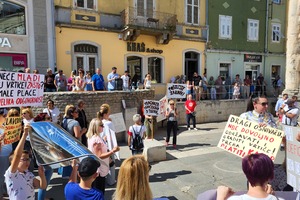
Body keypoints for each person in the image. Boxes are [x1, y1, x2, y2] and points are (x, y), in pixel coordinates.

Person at [4, 124, 47, 200]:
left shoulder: (28, 173)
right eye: (24, 159)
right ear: (14, 162)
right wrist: (24, 135)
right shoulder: (12, 174)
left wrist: (42, 176)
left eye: (28, 159)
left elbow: (42, 186)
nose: (27, 161)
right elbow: (17, 155)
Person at [86, 118, 119, 193]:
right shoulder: (96, 140)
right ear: (96, 126)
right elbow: (99, 155)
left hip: (97, 168)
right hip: (99, 170)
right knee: (99, 191)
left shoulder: (92, 137)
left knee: (97, 190)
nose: (103, 127)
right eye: (101, 125)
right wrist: (113, 151)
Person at [34, 113, 53, 200]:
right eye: (48, 118)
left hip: (45, 157)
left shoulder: (42, 130)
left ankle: (42, 197)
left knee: (45, 178)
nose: (50, 120)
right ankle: (41, 198)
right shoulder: (39, 131)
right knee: (44, 180)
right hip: (43, 158)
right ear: (42, 120)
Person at [98, 104, 119, 186]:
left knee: (103, 163)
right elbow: (114, 133)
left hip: (100, 144)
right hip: (109, 145)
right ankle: (111, 181)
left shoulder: (98, 122)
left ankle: (104, 178)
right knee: (111, 164)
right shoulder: (109, 123)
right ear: (105, 114)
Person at [0, 109, 12, 199]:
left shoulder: (7, 126)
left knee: (6, 174)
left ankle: (4, 191)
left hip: (8, 153)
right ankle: (1, 194)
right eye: (4, 116)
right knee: (2, 174)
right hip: (2, 154)